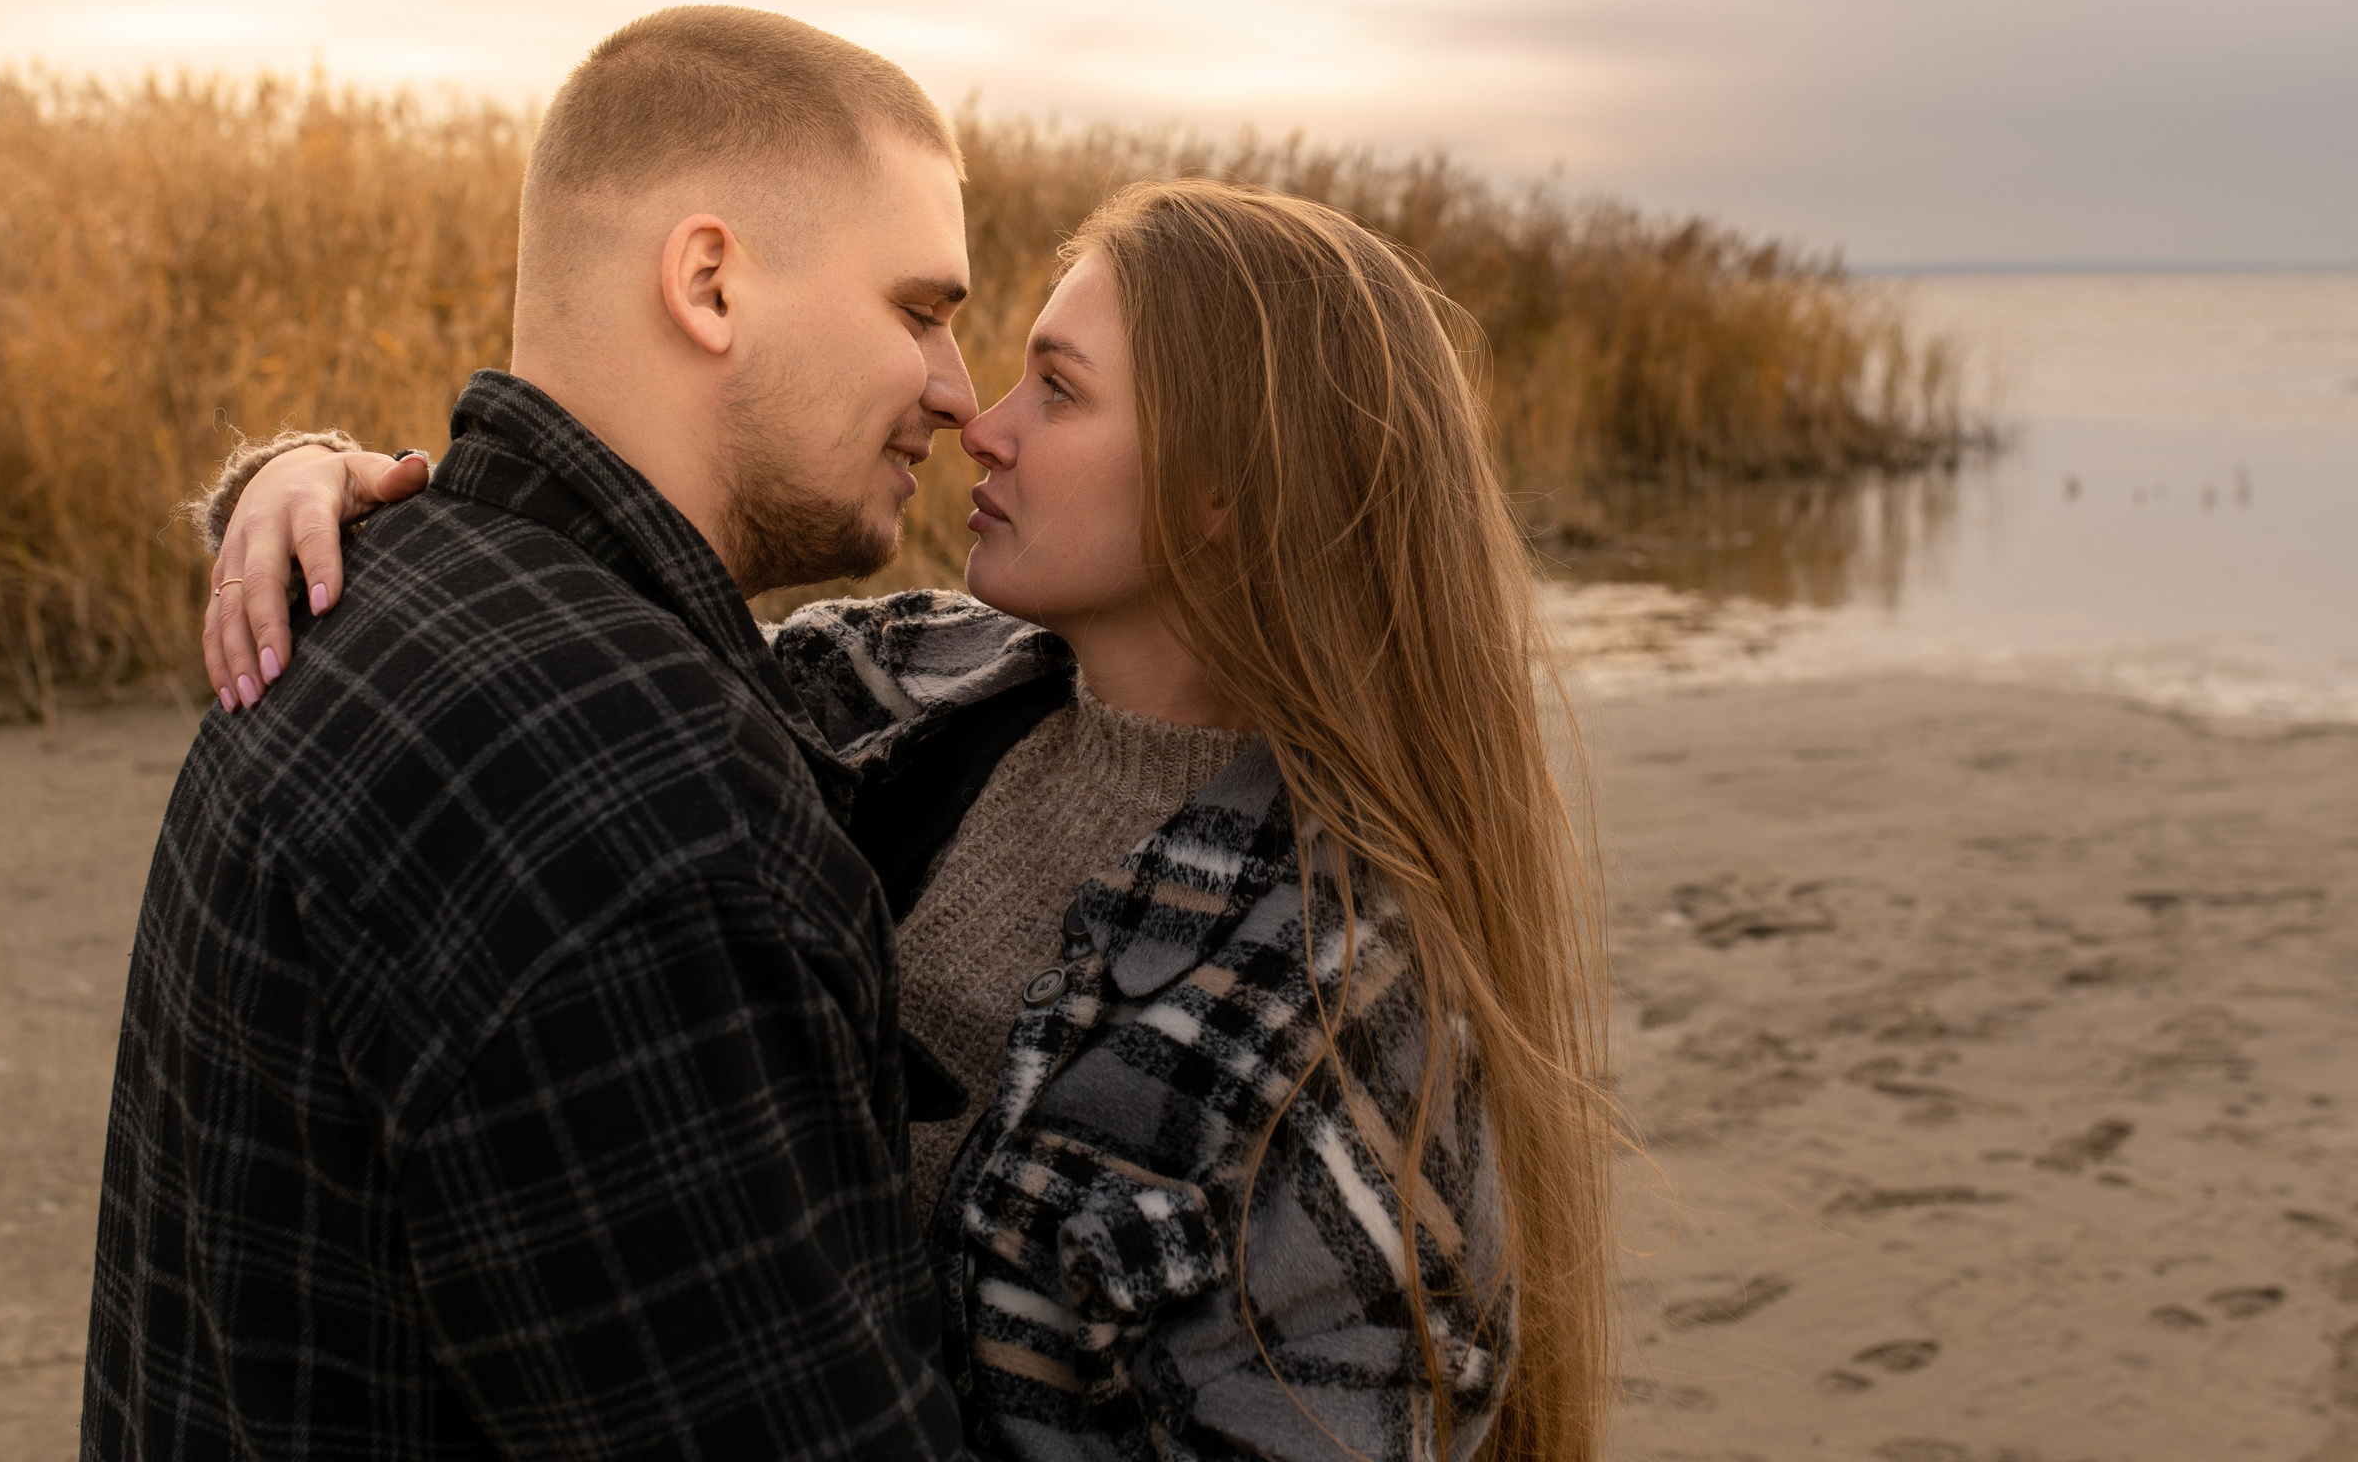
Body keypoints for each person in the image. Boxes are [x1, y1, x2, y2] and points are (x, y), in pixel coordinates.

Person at [208, 179, 1615, 1459]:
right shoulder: (885, 680)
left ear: (1221, 499)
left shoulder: (1347, 1012)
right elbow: (558, 684)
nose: (977, 422)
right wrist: (339, 491)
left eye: (1056, 392)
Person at [84, 7, 984, 1461]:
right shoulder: (646, 810)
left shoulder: (378, 593)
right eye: (921, 310)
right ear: (708, 282)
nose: (960, 390)